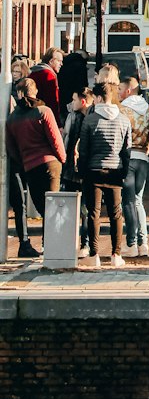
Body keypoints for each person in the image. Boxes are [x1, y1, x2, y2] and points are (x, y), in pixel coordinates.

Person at [4, 77, 66, 250]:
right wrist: (63, 159)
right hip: (49, 164)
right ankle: (53, 246)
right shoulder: (43, 111)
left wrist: (24, 162)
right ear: (35, 92)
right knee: (52, 207)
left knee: (42, 207)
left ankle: (50, 246)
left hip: (30, 166)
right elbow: (55, 139)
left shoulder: (11, 120)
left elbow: (12, 148)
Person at [77, 80, 132, 269]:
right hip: (115, 171)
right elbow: (126, 150)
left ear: (99, 98)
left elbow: (83, 150)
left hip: (93, 171)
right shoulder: (124, 120)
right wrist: (123, 171)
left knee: (94, 214)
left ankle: (95, 254)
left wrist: (82, 171)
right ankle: (116, 255)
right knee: (116, 214)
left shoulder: (90, 120)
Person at [120, 76, 149, 257]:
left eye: (120, 89)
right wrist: (146, 152)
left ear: (128, 90)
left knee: (127, 201)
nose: (118, 93)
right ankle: (144, 243)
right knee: (138, 201)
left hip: (128, 157)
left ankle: (131, 243)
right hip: (143, 157)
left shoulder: (123, 110)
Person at [4, 56, 34, 259]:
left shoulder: (13, 102)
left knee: (19, 201)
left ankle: (24, 242)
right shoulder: (15, 105)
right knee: (19, 201)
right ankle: (24, 242)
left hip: (14, 157)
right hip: (15, 157)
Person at [63, 86, 95, 254]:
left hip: (77, 169)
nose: (71, 103)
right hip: (79, 168)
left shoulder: (77, 119)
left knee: (83, 208)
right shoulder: (81, 117)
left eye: (74, 99)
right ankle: (82, 243)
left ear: (82, 101)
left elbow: (68, 142)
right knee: (83, 208)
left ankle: (82, 243)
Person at [29, 47, 64, 121]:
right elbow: (52, 101)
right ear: (51, 61)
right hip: (44, 116)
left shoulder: (34, 71)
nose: (61, 64)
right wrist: (57, 122)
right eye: (59, 61)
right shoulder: (48, 75)